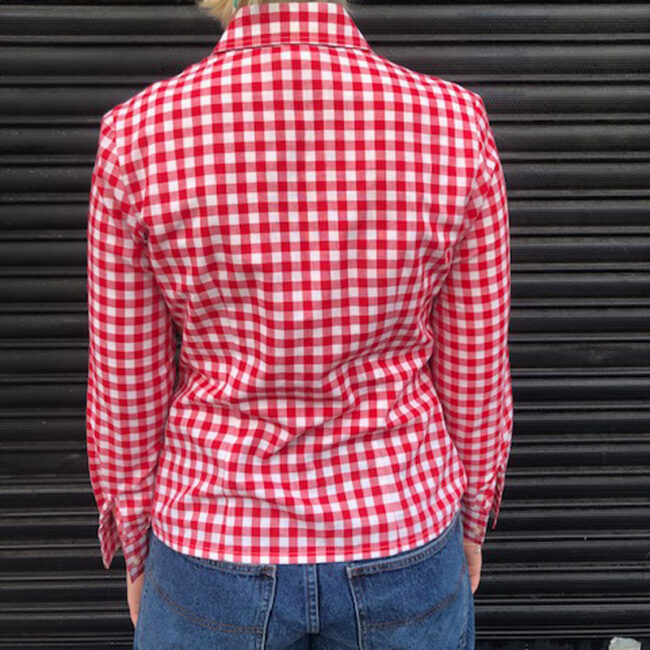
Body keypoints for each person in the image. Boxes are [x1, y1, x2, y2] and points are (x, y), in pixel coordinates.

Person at [85, 0, 513, 647]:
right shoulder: (452, 124)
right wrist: (474, 517)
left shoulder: (140, 135)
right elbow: (475, 365)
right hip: (401, 526)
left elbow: (127, 384)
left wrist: (138, 546)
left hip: (212, 535)